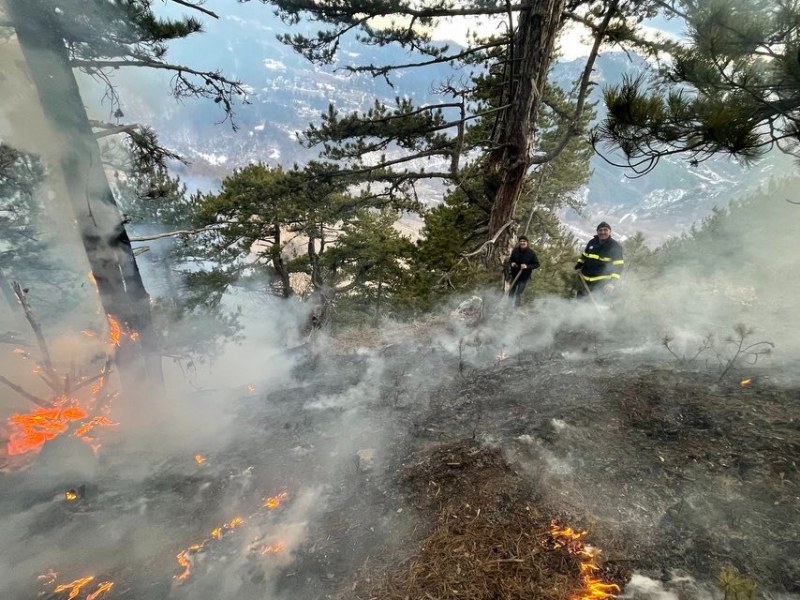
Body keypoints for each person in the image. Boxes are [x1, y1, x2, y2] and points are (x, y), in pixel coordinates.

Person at [575, 221, 624, 296]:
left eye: (605, 230)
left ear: (610, 232)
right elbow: (584, 256)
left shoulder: (615, 246)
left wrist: (612, 283)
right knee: (579, 304)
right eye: (600, 230)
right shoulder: (592, 242)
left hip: (601, 285)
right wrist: (579, 264)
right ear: (597, 231)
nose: (602, 232)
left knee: (596, 306)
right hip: (584, 283)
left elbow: (618, 266)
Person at [507, 236, 540, 307]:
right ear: (519, 242)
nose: (522, 243)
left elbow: (537, 264)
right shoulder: (515, 250)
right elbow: (511, 259)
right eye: (521, 241)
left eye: (524, 241)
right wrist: (512, 263)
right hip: (514, 275)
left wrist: (527, 266)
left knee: (518, 292)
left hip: (524, 277)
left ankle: (516, 307)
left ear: (527, 242)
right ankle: (508, 306)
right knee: (512, 291)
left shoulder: (531, 253)